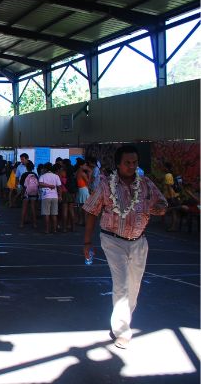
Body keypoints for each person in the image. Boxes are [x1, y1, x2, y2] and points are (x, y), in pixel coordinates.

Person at [83, 145, 167, 349]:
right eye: (127, 163)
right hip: (112, 240)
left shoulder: (146, 184)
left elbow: (163, 205)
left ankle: (124, 320)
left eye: (135, 162)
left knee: (134, 286)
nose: (132, 166)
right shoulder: (106, 185)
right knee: (120, 283)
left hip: (139, 241)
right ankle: (121, 331)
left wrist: (158, 209)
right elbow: (92, 211)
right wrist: (87, 242)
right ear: (118, 165)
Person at [39, 163, 62, 233]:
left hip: (46, 197)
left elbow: (40, 184)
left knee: (46, 214)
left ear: (45, 169)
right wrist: (60, 196)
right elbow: (59, 187)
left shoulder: (42, 176)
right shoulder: (56, 176)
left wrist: (48, 186)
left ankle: (47, 229)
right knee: (54, 214)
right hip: (55, 196)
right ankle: (54, 229)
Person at [20, 161, 40, 228]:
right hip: (33, 193)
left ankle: (22, 224)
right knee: (33, 208)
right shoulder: (35, 175)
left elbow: (22, 185)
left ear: (26, 167)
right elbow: (37, 184)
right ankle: (35, 224)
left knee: (24, 208)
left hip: (26, 193)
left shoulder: (24, 174)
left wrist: (22, 194)